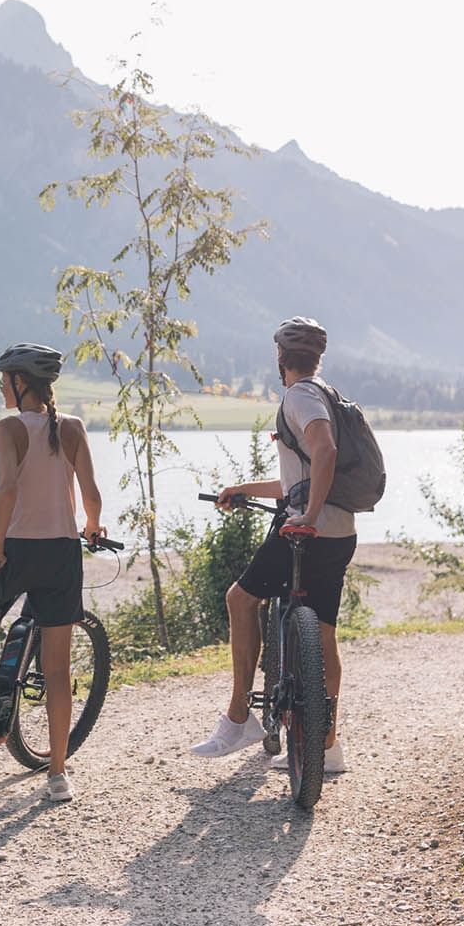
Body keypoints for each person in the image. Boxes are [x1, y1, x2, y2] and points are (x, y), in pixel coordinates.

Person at [190, 317, 355, 774]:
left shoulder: (299, 395)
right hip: (341, 529)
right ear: (318, 358)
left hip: (306, 528)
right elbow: (299, 477)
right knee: (322, 632)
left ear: (280, 359)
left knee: (241, 601)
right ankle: (328, 746)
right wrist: (244, 487)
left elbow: (324, 453)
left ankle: (240, 717)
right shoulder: (328, 394)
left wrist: (306, 514)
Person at [0, 342, 105, 802]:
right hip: (60, 552)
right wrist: (92, 526)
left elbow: (8, 489)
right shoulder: (72, 428)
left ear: (20, 383)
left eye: (4, 380)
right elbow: (91, 494)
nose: (1, 388)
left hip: (16, 548)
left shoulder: (8, 428)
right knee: (56, 670)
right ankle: (58, 774)